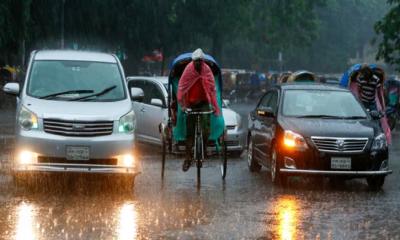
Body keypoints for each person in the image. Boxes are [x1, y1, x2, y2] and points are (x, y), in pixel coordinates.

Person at [177, 48, 220, 171]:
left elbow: (212, 89)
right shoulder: (188, 70)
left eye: (200, 61)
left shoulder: (207, 70)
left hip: (204, 102)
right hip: (190, 103)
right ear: (193, 62)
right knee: (189, 133)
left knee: (206, 128)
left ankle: (204, 148)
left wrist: (214, 106)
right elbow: (181, 87)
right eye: (195, 61)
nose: (198, 64)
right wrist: (183, 105)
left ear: (202, 61)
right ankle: (188, 158)